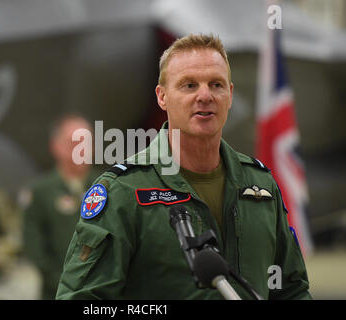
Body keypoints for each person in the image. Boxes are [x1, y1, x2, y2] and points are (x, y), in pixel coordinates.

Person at [55, 34, 311, 300]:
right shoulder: (123, 192)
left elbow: (292, 290)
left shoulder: (262, 187)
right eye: (189, 85)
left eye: (216, 85)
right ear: (162, 97)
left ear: (230, 95)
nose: (205, 96)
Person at [22, 115, 99, 299]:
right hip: (57, 291)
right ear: (55, 146)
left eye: (86, 143)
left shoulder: (108, 186)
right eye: (73, 143)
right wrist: (66, 283)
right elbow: (34, 246)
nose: (81, 150)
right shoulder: (40, 192)